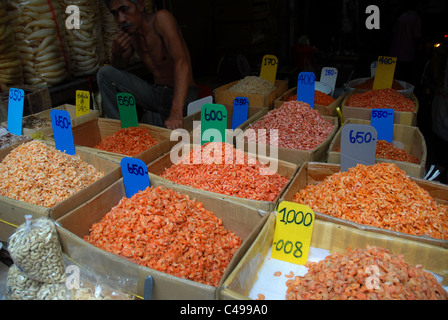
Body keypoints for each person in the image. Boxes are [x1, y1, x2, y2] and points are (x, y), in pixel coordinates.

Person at [97, 0, 198, 129]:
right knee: (105, 74)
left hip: (183, 95)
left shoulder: (161, 19)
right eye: (115, 13)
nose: (121, 19)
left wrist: (176, 113)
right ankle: (121, 132)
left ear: (140, 5)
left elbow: (181, 62)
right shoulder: (131, 33)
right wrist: (116, 53)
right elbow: (119, 67)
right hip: (157, 93)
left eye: (125, 9)